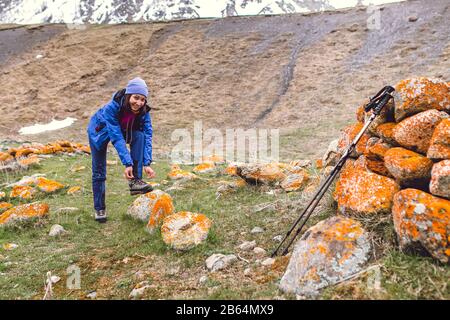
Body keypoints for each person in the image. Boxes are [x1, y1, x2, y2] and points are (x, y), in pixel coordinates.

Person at [87, 77, 156, 223]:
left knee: (140, 135)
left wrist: (146, 162)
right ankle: (100, 208)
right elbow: (116, 136)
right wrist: (127, 163)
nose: (138, 103)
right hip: (99, 132)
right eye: (136, 97)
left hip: (123, 130)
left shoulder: (143, 111)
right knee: (99, 171)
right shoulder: (112, 108)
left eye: (142, 99)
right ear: (128, 95)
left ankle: (135, 182)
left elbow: (148, 135)